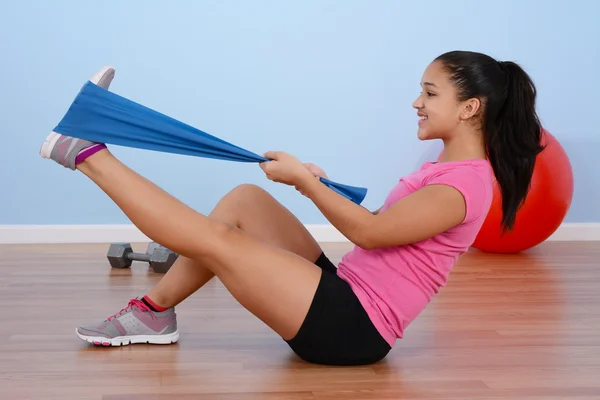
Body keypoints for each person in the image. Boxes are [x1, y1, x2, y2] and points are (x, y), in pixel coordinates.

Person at [39, 50, 544, 366]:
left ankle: (84, 152)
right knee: (244, 201)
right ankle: (152, 315)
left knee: (221, 244)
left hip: (353, 328)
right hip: (346, 291)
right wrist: (321, 184)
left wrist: (305, 182)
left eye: (430, 93)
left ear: (470, 107)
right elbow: (389, 236)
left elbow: (371, 234)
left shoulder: (465, 186)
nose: (417, 101)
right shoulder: (446, 171)